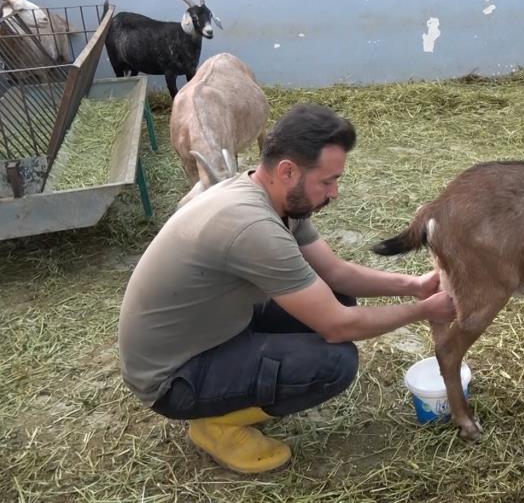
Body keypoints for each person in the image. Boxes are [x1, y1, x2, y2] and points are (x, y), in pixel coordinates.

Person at [118, 103, 456, 474]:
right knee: (334, 364)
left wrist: (416, 285)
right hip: (173, 379)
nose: (335, 192)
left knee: (337, 295)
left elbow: (336, 272)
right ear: (288, 171)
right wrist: (424, 310)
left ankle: (236, 392)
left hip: (210, 332)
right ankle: (215, 423)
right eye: (327, 181)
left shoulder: (276, 200)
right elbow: (337, 326)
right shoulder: (252, 227)